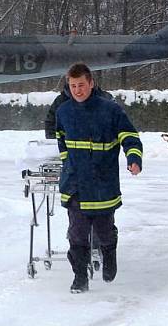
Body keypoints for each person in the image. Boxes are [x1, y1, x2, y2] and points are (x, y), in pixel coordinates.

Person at [55, 62, 143, 293]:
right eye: (72, 86)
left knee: (104, 229)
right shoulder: (63, 112)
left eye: (81, 85)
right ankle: (79, 277)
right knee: (77, 233)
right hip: (75, 184)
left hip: (102, 182)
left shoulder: (110, 110)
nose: (77, 90)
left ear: (91, 84)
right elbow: (61, 140)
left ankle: (109, 253)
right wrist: (68, 164)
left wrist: (133, 158)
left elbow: (130, 136)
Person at [44, 75, 111, 139]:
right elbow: (51, 123)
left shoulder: (105, 98)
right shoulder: (61, 101)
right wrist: (56, 143)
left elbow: (117, 122)